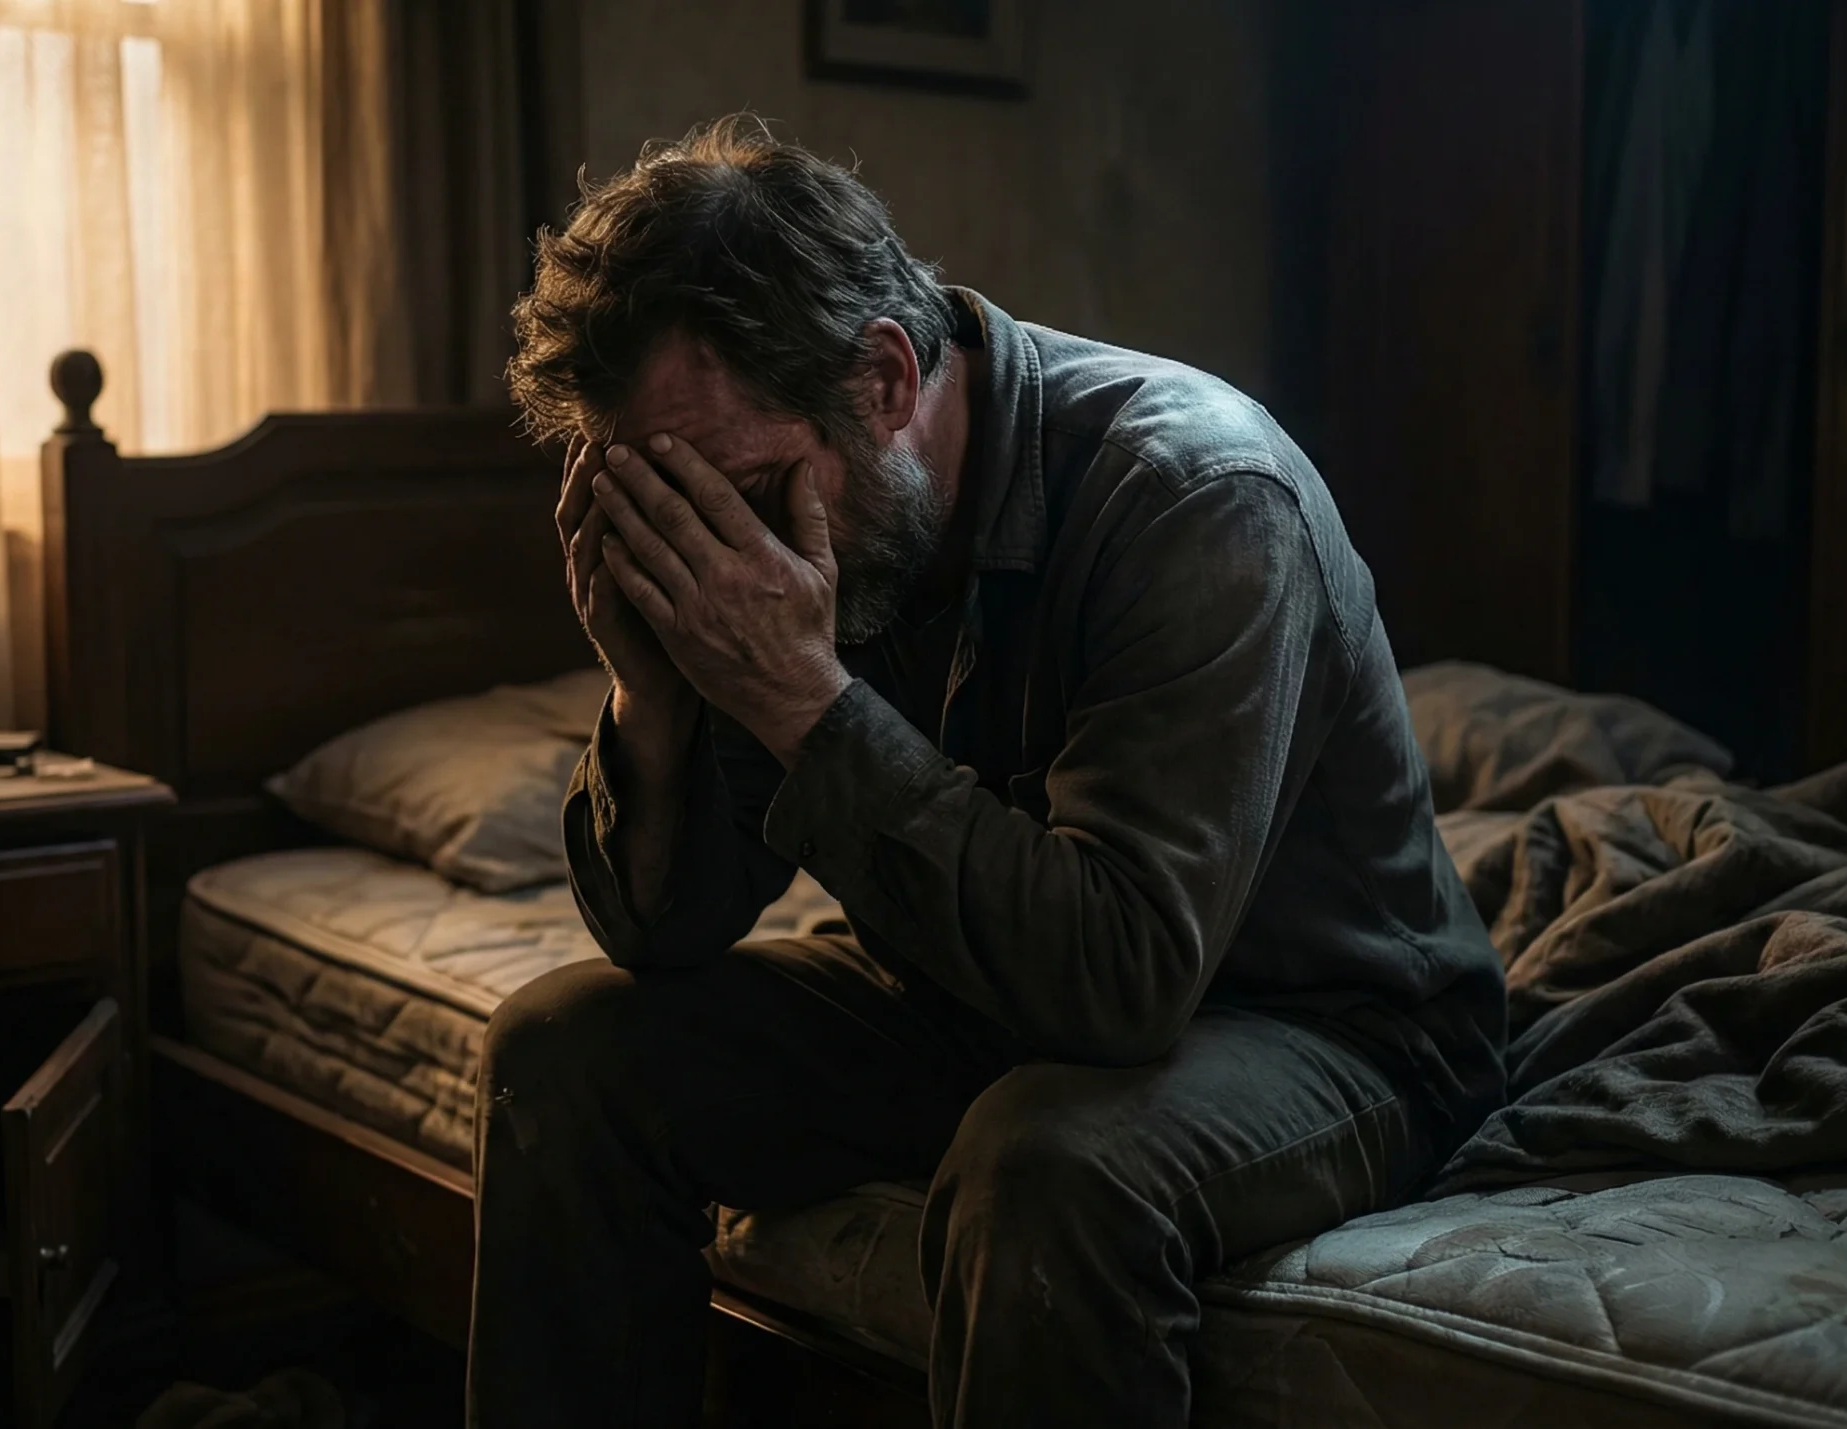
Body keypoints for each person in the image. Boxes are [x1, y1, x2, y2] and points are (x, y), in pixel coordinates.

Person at [470, 115, 1506, 1428]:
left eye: (737, 490)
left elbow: (1121, 988)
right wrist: (653, 695)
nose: (714, 544)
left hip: (1322, 1027)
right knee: (561, 1052)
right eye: (670, 506)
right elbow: (665, 935)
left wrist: (799, 695)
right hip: (980, 988)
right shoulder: (800, 509)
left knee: (1047, 1165)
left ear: (890, 381)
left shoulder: (1197, 492)